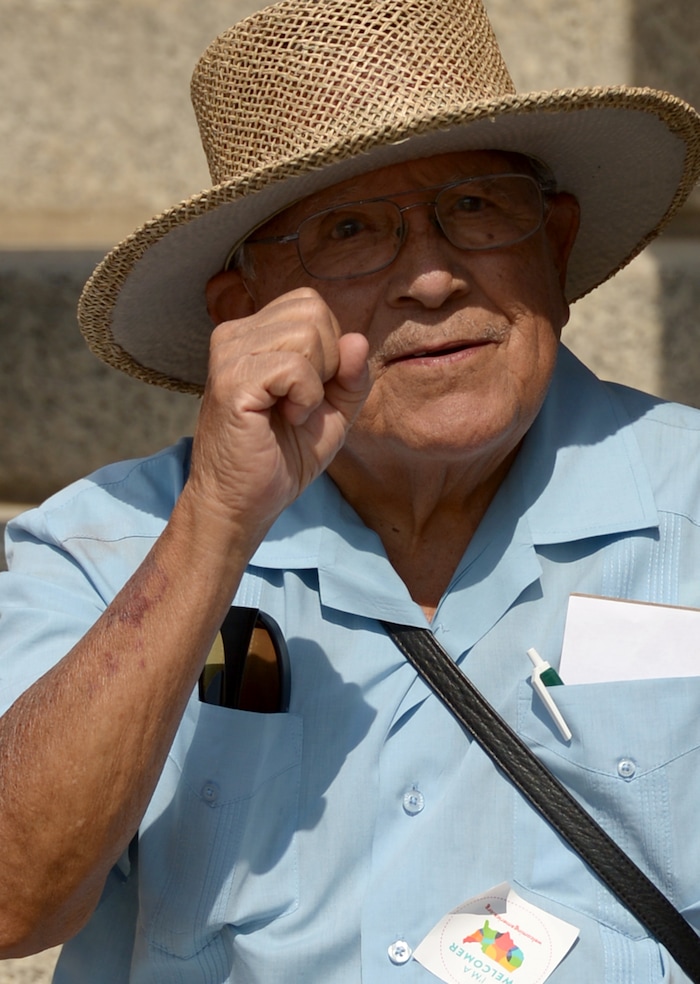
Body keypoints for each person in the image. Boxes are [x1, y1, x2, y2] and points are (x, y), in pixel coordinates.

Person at [1, 0, 699, 980]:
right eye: (348, 229)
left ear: (555, 242)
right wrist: (215, 526)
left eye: (475, 206)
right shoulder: (105, 548)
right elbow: (11, 901)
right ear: (244, 313)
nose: (431, 279)